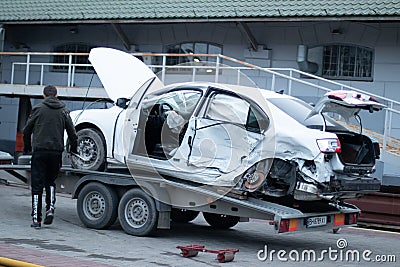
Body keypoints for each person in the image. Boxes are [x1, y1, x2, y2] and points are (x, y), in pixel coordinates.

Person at [23, 85, 78, 229]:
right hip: (56, 152)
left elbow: (26, 130)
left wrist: (27, 147)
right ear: (56, 95)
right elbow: (72, 132)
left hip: (39, 152)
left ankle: (36, 219)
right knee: (51, 181)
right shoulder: (64, 111)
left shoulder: (38, 109)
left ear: (43, 95)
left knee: (37, 185)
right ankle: (50, 208)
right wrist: (74, 148)